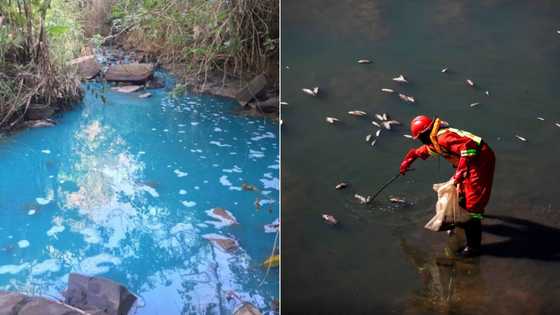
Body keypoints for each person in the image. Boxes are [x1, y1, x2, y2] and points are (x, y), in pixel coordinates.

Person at [399, 115, 495, 257]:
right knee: (460, 193)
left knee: (474, 204)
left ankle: (474, 247)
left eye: (419, 137)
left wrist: (460, 172)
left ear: (424, 134)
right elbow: (423, 151)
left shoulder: (444, 138)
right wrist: (408, 160)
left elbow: (469, 148)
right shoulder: (435, 140)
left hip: (480, 162)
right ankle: (462, 221)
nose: (420, 140)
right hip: (468, 163)